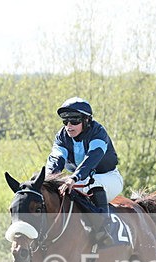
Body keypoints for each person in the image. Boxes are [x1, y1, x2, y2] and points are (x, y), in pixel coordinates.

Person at [46, 96, 126, 247]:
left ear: (86, 120)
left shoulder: (98, 132)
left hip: (108, 177)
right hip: (80, 179)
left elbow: (92, 158)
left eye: (74, 121)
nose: (69, 126)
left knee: (89, 184)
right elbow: (56, 160)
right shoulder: (62, 136)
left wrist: (74, 178)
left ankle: (104, 230)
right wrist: (48, 179)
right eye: (65, 121)